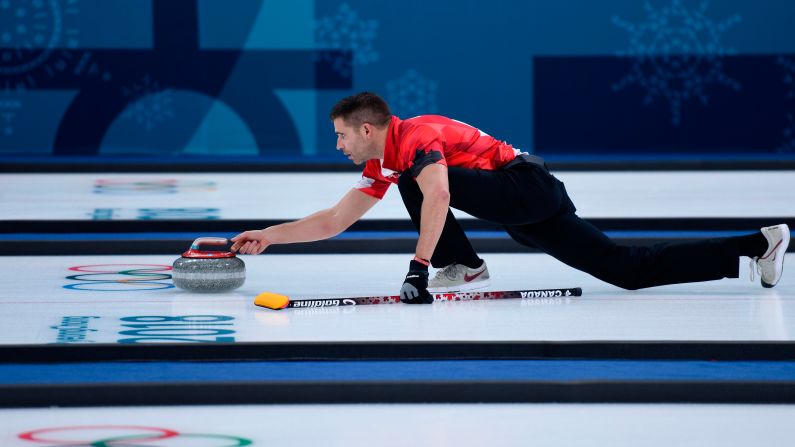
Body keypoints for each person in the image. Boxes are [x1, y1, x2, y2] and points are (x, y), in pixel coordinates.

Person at [231, 92, 790, 304]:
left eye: (342, 135)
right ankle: (757, 246)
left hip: (527, 187)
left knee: (420, 184)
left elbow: (441, 192)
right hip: (524, 206)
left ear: (369, 129)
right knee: (627, 270)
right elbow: (333, 221)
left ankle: (464, 266)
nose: (337, 145)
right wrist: (268, 237)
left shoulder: (416, 138)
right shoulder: (391, 158)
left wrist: (420, 266)